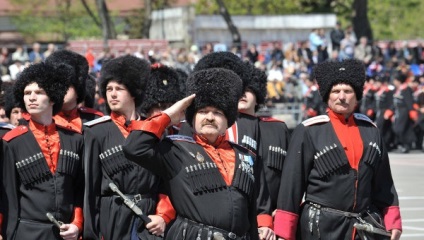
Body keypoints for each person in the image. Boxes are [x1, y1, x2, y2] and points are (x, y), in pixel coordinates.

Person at [123, 68, 260, 240]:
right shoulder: (175, 149)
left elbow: (251, 216)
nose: (210, 117)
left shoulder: (246, 156)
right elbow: (133, 147)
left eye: (217, 113)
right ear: (192, 118)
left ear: (228, 120)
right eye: (202, 111)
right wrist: (168, 115)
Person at [274, 59, 402, 240]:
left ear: (356, 96)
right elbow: (291, 186)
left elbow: (384, 183)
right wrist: (284, 232)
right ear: (327, 96)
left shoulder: (371, 130)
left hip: (363, 227)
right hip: (321, 228)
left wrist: (392, 221)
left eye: (348, 91)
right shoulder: (309, 130)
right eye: (335, 91)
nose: (342, 96)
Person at [83, 55, 174, 240]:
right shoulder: (96, 132)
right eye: (108, 89)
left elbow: (166, 181)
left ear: (133, 91)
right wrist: (91, 233)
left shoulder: (154, 130)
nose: (112, 94)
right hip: (112, 217)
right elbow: (90, 189)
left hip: (148, 218)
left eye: (119, 88)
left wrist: (163, 215)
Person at [1, 62, 84, 240]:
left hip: (65, 233)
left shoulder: (75, 139)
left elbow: (79, 190)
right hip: (26, 233)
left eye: (39, 92)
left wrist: (77, 224)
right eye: (27, 93)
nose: (31, 97)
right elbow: (6, 195)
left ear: (53, 98)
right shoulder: (12, 142)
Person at [45, 50, 104, 133]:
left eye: (67, 84)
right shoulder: (41, 121)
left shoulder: (96, 120)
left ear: (78, 87)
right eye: (57, 84)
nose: (62, 88)